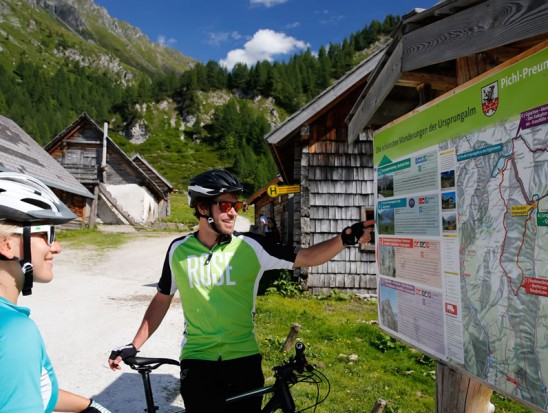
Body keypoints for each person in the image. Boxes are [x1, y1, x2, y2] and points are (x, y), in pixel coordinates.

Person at [108, 168, 374, 413]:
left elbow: (308, 256)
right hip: (198, 361)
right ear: (202, 208)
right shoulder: (178, 250)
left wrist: (344, 239)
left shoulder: (252, 247)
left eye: (236, 205)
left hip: (243, 359)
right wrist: (135, 344)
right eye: (225, 205)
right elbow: (162, 298)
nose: (233, 212)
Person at [0, 172, 110, 413]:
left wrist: (89, 406)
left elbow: (21, 387)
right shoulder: (15, 331)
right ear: (6, 245)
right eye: (48, 234)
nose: (56, 248)